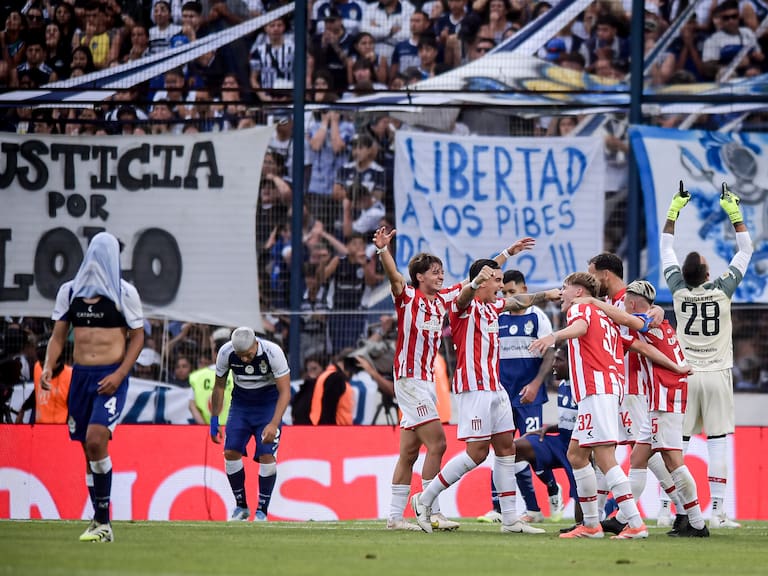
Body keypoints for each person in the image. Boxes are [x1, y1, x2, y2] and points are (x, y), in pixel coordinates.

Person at [376, 228, 536, 532]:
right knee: (438, 443)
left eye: (442, 272)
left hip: (426, 381)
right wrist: (383, 251)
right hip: (409, 380)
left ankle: (395, 518)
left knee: (409, 452)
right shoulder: (407, 297)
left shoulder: (445, 298)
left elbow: (478, 278)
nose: (441, 277)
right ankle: (431, 510)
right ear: (420, 277)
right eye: (435, 273)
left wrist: (508, 252)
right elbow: (395, 278)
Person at [529, 272, 690, 539]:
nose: (561, 294)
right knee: (576, 455)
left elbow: (579, 328)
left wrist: (554, 337)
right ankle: (591, 524)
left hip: (597, 390)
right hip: (605, 391)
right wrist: (676, 366)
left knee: (604, 458)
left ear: (579, 291)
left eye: (565, 288)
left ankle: (635, 523)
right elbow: (639, 342)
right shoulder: (607, 316)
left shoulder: (581, 308)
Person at [411, 257, 560, 535]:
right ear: (482, 280)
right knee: (477, 454)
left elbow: (518, 302)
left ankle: (510, 520)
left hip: (496, 389)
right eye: (497, 281)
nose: (502, 287)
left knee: (507, 450)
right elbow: (466, 293)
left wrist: (545, 295)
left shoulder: (494, 308)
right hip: (474, 389)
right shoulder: (462, 307)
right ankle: (425, 498)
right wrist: (476, 280)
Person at [579, 280, 709, 537]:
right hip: (660, 397)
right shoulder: (657, 318)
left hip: (665, 396)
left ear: (634, 302)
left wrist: (594, 302)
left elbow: (631, 326)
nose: (623, 306)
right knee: (638, 458)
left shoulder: (644, 320)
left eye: (626, 301)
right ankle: (626, 518)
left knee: (673, 460)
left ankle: (695, 522)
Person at [42, 232, 145, 543]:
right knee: (88, 449)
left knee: (96, 439)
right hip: (81, 377)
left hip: (110, 377)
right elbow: (59, 336)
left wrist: (121, 374)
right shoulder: (70, 292)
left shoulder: (123, 293)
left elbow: (138, 337)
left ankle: (102, 522)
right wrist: (49, 365)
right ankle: (100, 522)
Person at [662, 181, 753, 529]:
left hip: (685, 375)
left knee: (677, 445)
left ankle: (670, 509)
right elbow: (745, 250)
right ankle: (717, 512)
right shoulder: (722, 291)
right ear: (708, 273)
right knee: (716, 443)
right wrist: (734, 212)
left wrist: (674, 212)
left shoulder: (678, 293)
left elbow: (666, 249)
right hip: (716, 374)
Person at [479, 269, 560, 524]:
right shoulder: (498, 316)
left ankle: (552, 488)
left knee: (532, 451)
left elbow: (550, 354)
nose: (507, 297)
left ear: (525, 291)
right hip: (502, 395)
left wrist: (536, 384)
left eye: (512, 292)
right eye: (504, 292)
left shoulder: (538, 317)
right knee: (503, 450)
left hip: (529, 397)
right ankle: (504, 508)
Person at [210, 327, 291, 522]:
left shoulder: (273, 353)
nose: (245, 359)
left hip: (268, 406)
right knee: (230, 452)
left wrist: (274, 423)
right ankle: (241, 507)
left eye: (248, 355)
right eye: (241, 356)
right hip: (241, 405)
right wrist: (214, 419)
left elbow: (285, 392)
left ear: (256, 344)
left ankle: (262, 510)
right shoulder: (226, 352)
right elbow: (219, 386)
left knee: (266, 454)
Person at [512, 346, 582, 530]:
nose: (553, 364)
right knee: (513, 448)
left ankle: (584, 524)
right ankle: (508, 515)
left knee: (581, 491)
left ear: (572, 362)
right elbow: (571, 420)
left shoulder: (582, 386)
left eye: (559, 360)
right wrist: (548, 428)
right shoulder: (564, 385)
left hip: (578, 446)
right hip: (559, 442)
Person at [15, 334, 72, 424]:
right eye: (41, 363)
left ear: (56, 358)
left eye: (45, 363)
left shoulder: (70, 375)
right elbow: (37, 392)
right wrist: (22, 409)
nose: (43, 367)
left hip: (61, 428)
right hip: (40, 428)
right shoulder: (37, 368)